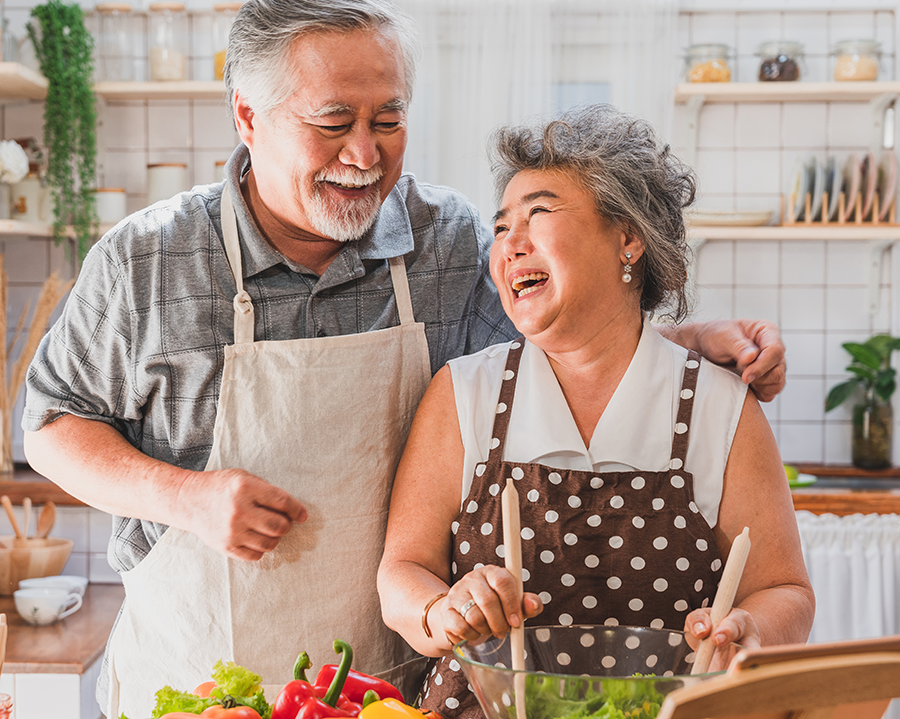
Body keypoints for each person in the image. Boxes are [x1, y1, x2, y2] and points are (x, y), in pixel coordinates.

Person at [21, 2, 784, 717]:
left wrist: (681, 344)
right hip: (199, 680)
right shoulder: (146, 261)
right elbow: (51, 424)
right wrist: (184, 497)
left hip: (386, 690)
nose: (365, 153)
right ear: (247, 117)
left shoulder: (446, 240)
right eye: (333, 122)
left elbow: (559, 335)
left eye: (388, 119)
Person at [377, 104, 815, 719]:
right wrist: (440, 610)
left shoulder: (718, 406)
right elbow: (402, 571)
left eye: (538, 213)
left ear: (627, 237)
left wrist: (752, 632)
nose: (510, 244)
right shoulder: (464, 392)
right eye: (502, 227)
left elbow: (783, 589)